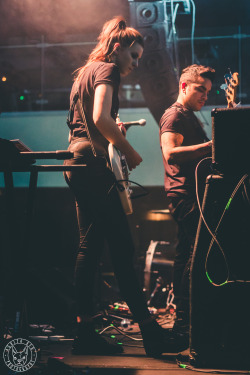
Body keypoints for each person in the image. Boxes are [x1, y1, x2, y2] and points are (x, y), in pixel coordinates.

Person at [64, 16, 187, 357]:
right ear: (117, 49)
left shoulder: (84, 73)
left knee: (88, 249)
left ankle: (85, 332)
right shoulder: (108, 70)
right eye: (133, 56)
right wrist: (129, 152)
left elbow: (88, 122)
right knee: (122, 250)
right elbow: (101, 119)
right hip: (93, 166)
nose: (135, 64)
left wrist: (112, 135)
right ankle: (151, 335)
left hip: (75, 162)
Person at [159, 64, 215, 335]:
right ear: (184, 86)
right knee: (195, 254)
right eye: (200, 90)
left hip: (188, 194)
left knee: (186, 255)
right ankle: (186, 323)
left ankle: (183, 323)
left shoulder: (189, 115)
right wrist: (210, 147)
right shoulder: (174, 116)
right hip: (185, 195)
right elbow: (170, 153)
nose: (205, 96)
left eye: (207, 92)